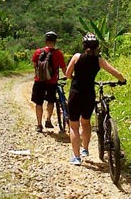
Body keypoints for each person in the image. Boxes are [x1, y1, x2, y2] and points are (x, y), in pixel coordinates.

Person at [66, 32, 126, 166]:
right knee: (86, 122)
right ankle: (85, 150)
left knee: (74, 125)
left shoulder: (76, 57)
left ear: (84, 45)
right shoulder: (99, 60)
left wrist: (75, 79)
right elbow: (115, 72)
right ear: (97, 46)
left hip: (76, 93)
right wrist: (122, 80)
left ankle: (76, 158)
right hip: (89, 94)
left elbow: (67, 74)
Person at [31, 31, 66, 132]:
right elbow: (63, 68)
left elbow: (35, 66)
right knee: (51, 101)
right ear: (55, 42)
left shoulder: (38, 52)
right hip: (52, 81)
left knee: (38, 103)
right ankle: (48, 120)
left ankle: (39, 125)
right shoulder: (58, 53)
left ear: (46, 41)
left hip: (39, 80)